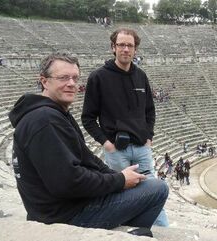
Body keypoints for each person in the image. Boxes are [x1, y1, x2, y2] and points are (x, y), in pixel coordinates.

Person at [8, 53, 168, 233]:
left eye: (75, 78)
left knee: (142, 183)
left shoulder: (53, 114)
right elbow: (69, 182)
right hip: (65, 215)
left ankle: (133, 232)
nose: (71, 83)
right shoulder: (46, 120)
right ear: (44, 81)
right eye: (63, 78)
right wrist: (120, 180)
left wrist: (117, 176)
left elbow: (86, 158)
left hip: (66, 206)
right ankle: (134, 234)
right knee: (157, 188)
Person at [81, 28, 169, 226]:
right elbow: (87, 118)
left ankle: (161, 230)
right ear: (113, 47)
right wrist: (106, 143)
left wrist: (149, 137)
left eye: (130, 45)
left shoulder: (141, 76)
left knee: (153, 189)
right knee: (122, 192)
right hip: (116, 150)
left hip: (141, 147)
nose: (126, 49)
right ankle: (129, 228)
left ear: (135, 49)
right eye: (121, 45)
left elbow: (150, 110)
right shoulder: (98, 77)